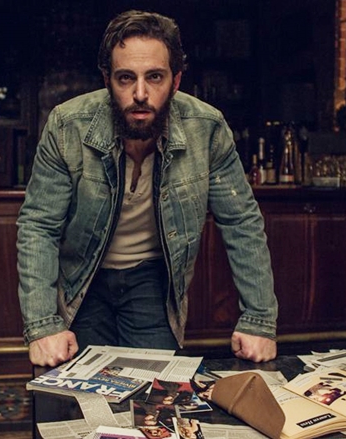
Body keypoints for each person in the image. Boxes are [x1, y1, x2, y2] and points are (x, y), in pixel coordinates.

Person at [17, 9, 278, 367]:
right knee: (82, 391)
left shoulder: (207, 129)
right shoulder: (67, 126)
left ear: (176, 80)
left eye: (154, 77)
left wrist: (259, 320)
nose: (140, 94)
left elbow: (241, 223)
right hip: (83, 279)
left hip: (152, 280)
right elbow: (39, 225)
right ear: (107, 80)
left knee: (157, 390)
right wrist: (43, 325)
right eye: (126, 78)